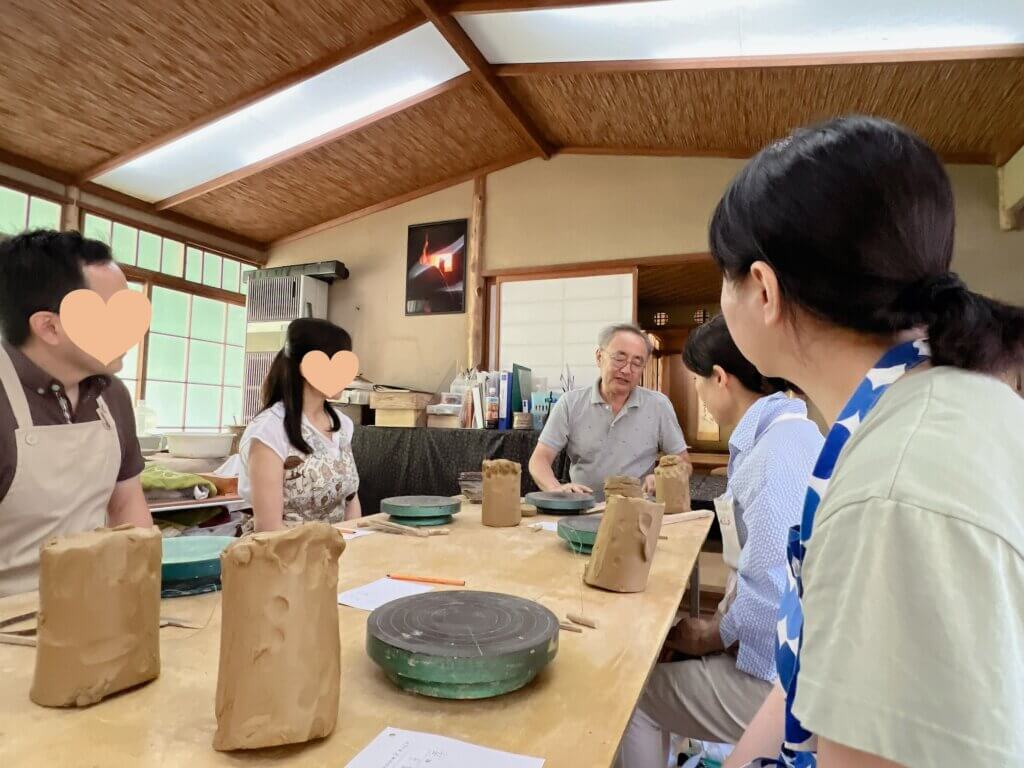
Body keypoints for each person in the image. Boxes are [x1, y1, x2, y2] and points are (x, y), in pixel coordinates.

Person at [710, 116, 1024, 768]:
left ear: (763, 289)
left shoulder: (893, 491)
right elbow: (821, 659)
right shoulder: (944, 400)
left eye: (725, 275)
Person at [617, 315, 823, 767]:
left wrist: (713, 634)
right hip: (798, 651)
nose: (698, 393)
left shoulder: (774, 455)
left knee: (632, 694)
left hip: (785, 676)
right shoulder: (795, 433)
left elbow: (770, 591)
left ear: (721, 379)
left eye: (697, 380)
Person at [0, 230, 152, 597]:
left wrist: (145, 588)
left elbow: (126, 502)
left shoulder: (112, 395)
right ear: (49, 327)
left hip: (94, 608)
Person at [529, 322, 688, 500]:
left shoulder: (659, 405)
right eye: (619, 359)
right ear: (599, 357)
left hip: (638, 510)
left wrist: (663, 479)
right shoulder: (570, 403)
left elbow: (683, 463)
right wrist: (556, 489)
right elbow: (539, 460)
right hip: (584, 508)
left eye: (637, 363)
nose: (627, 370)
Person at [238, 318, 361, 531]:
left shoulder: (343, 426)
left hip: (335, 551)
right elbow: (268, 529)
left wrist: (352, 542)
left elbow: (351, 501)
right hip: (283, 555)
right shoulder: (269, 430)